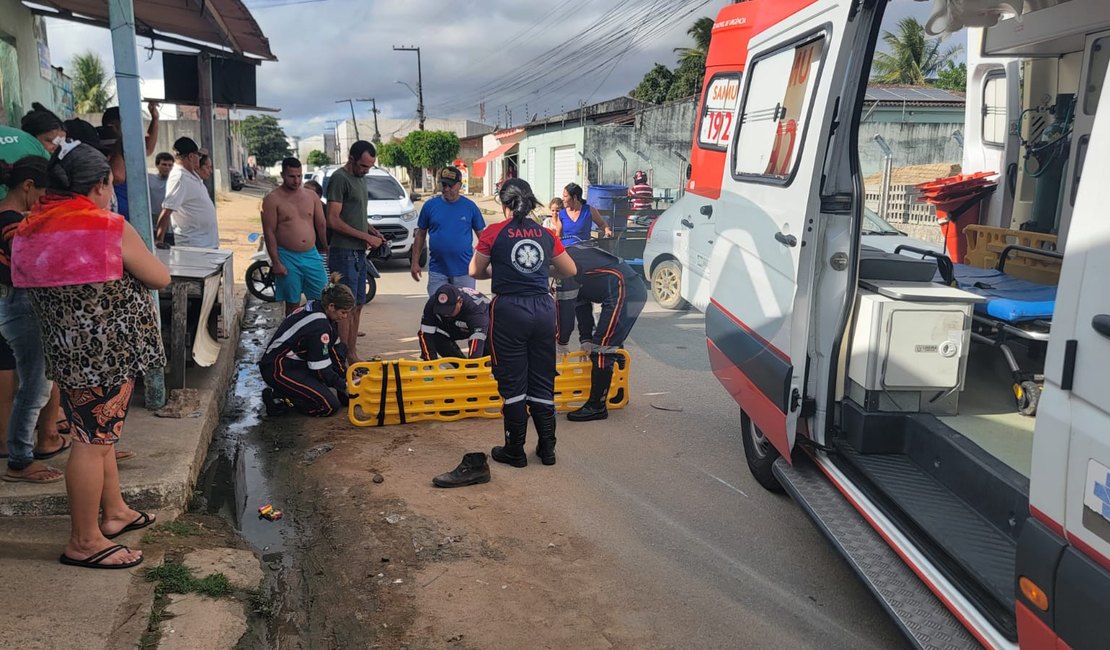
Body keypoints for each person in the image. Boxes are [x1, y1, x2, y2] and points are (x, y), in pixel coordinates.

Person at [13, 141, 169, 569]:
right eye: (109, 184)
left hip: (68, 353)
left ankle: (114, 511)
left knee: (100, 438)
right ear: (99, 186)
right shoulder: (106, 227)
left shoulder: (30, 228)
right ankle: (83, 540)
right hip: (107, 357)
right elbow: (159, 277)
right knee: (90, 443)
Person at [470, 178, 576, 467]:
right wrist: (538, 271)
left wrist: (504, 270)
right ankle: (548, 450)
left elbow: (475, 271)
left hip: (509, 311)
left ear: (504, 203)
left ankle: (514, 450)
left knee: (513, 381)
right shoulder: (544, 234)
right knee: (542, 378)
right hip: (543, 309)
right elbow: (569, 269)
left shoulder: (493, 233)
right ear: (530, 202)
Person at [0, 156, 67, 483]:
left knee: (35, 384)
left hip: (13, 304)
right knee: (35, 387)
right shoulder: (11, 222)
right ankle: (19, 459)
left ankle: (31, 448)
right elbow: (29, 260)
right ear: (28, 187)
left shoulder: (11, 216)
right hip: (20, 305)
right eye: (41, 195)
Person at [560, 243, 647, 421]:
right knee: (611, 344)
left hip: (625, 291)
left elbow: (565, 307)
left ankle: (596, 405)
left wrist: (562, 340)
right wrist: (585, 338)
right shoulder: (569, 254)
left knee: (602, 348)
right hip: (633, 290)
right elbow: (580, 303)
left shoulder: (563, 265)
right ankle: (616, 392)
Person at [258, 274, 353, 417]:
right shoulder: (319, 325)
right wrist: (343, 385)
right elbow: (321, 368)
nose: (345, 317)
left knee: (339, 354)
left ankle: (290, 392)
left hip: (294, 363)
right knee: (328, 406)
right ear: (332, 306)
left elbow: (335, 350)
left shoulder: (319, 307)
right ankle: (280, 398)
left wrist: (346, 377)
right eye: (343, 312)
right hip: (278, 368)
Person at [326, 141, 384, 365]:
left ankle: (351, 353)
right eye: (363, 166)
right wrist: (366, 237)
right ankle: (341, 358)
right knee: (345, 308)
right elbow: (333, 219)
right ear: (351, 159)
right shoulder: (340, 179)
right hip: (344, 252)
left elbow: (355, 215)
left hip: (359, 252)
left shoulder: (361, 179)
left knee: (358, 305)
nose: (366, 170)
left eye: (370, 167)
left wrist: (372, 230)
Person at [261, 157, 328, 315]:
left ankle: (318, 335)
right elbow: (269, 232)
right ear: (283, 174)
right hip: (287, 256)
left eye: (299, 176)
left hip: (311, 254)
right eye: (291, 176)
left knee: (322, 299)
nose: (296, 180)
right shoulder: (272, 200)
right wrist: (276, 262)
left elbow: (321, 225)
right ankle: (292, 337)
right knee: (292, 303)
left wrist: (326, 248)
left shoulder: (311, 196)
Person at [410, 166, 486, 297]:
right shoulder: (430, 206)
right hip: (438, 271)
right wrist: (415, 262)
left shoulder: (470, 207)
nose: (446, 189)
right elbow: (420, 234)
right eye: (443, 185)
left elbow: (483, 238)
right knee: (438, 309)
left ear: (459, 186)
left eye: (450, 186)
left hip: (464, 271)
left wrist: (487, 263)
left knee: (465, 310)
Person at [156, 136, 219, 248]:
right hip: (194, 246)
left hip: (206, 243)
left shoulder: (190, 173)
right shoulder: (179, 178)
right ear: (190, 156)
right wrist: (159, 240)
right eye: (198, 155)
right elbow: (166, 210)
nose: (199, 159)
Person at [417, 284, 490, 360]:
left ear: (460, 302)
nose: (446, 314)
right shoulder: (432, 303)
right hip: (454, 326)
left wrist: (473, 366)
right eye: (441, 310)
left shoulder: (476, 310)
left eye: (450, 310)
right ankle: (459, 363)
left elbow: (477, 342)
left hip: (485, 327)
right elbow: (425, 334)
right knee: (435, 337)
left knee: (485, 355)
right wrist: (431, 363)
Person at [147, 152, 173, 228]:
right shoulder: (149, 179)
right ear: (157, 165)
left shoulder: (175, 182)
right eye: (164, 164)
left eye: (170, 165)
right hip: (151, 218)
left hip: (169, 219)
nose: (167, 167)